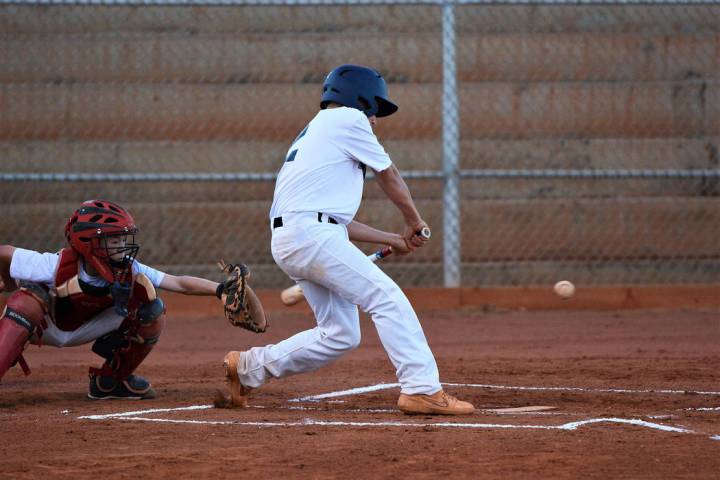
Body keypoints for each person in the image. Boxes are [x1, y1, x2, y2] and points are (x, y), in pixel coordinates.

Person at [217, 64, 474, 415]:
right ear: (358, 98)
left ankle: (251, 367)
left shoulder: (317, 130)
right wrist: (413, 221)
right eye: (374, 109)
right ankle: (421, 389)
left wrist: (391, 239)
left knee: (340, 333)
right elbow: (389, 174)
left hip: (296, 236)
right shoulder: (348, 119)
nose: (374, 119)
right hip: (310, 234)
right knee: (386, 298)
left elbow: (337, 221)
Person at [0, 199, 228, 400]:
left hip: (88, 326)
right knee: (26, 300)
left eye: (122, 238)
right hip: (47, 327)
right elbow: (5, 252)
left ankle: (110, 382)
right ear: (89, 242)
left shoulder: (129, 267)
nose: (123, 245)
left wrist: (220, 289)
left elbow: (178, 282)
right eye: (114, 239)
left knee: (153, 310)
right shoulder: (55, 265)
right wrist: (9, 283)